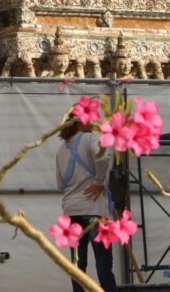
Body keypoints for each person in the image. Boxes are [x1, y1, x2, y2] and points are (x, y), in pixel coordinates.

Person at [55, 113, 117, 292]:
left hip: (71, 212)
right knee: (103, 263)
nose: (92, 122)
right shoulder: (91, 138)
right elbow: (103, 157)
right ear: (80, 123)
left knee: (77, 265)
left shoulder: (61, 149)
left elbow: (60, 184)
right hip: (94, 210)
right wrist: (98, 182)